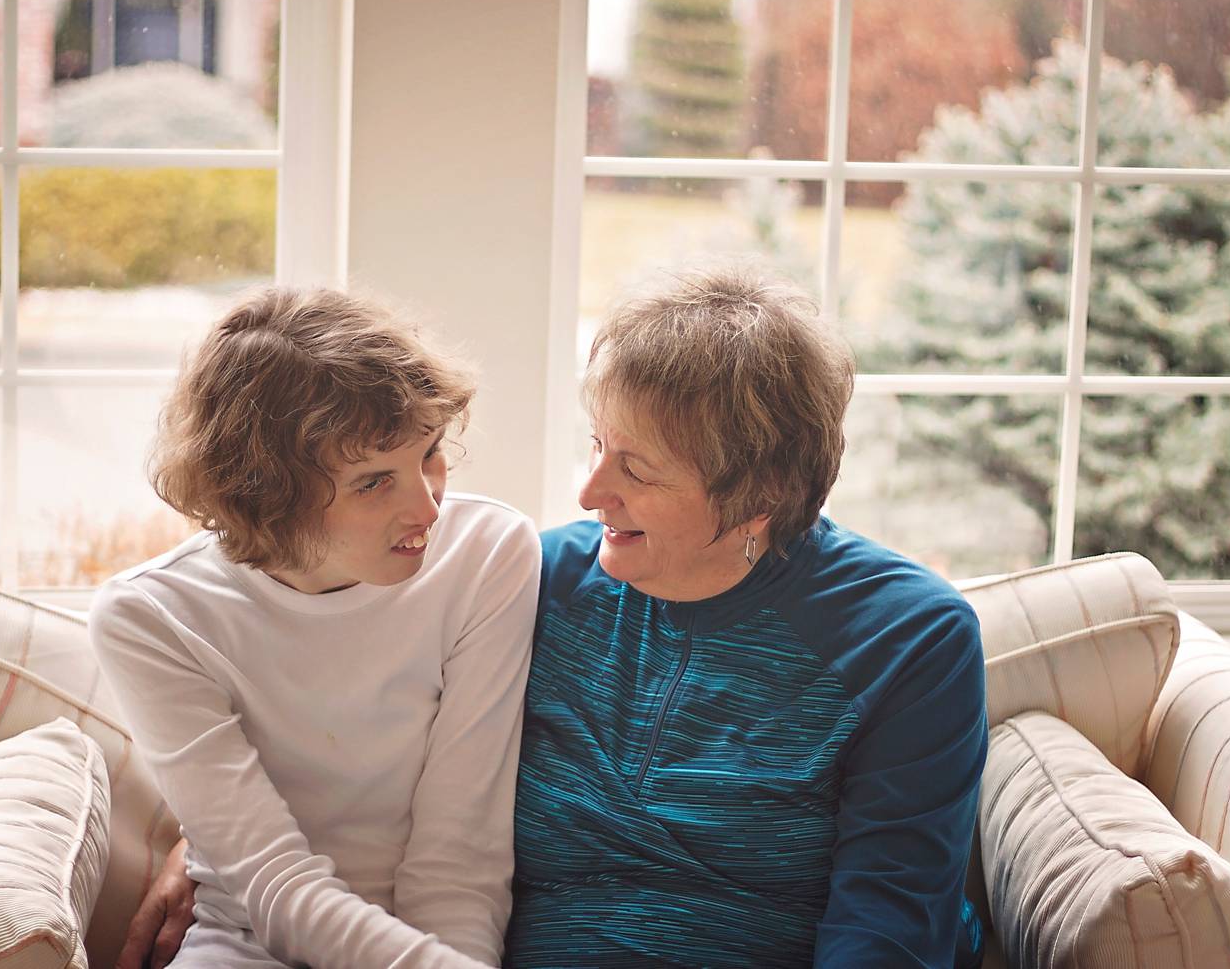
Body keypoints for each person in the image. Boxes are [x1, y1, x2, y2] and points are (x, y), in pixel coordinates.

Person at [124, 264, 988, 968]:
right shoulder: (536, 577)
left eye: (637, 469)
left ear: (757, 496)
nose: (588, 491)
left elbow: (888, 929)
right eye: (595, 442)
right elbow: (361, 747)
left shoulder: (908, 639)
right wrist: (203, 844)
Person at [89, 286, 540, 969]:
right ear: (268, 496)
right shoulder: (152, 618)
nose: (428, 505)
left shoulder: (489, 553)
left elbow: (458, 860)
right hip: (246, 941)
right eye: (372, 482)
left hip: (440, 939)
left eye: (430, 453)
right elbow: (273, 883)